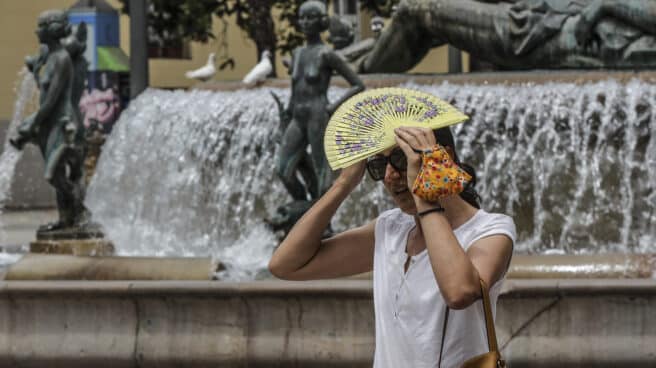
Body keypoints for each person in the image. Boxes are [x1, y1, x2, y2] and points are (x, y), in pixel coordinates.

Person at [269, 126, 516, 367]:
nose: (389, 176)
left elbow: (459, 292)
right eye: (378, 166)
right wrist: (343, 184)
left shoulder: (490, 230)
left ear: (444, 156)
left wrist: (424, 195)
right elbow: (286, 265)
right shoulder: (391, 228)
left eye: (400, 158)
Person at [277, 0, 364, 202]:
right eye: (302, 18)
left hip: (318, 115)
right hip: (297, 117)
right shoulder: (298, 53)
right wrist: (285, 118)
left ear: (322, 21)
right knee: (283, 169)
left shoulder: (327, 54)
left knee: (322, 172)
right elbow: (294, 89)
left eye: (311, 17)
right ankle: (302, 207)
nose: (305, 22)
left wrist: (332, 108)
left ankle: (320, 220)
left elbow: (357, 84)